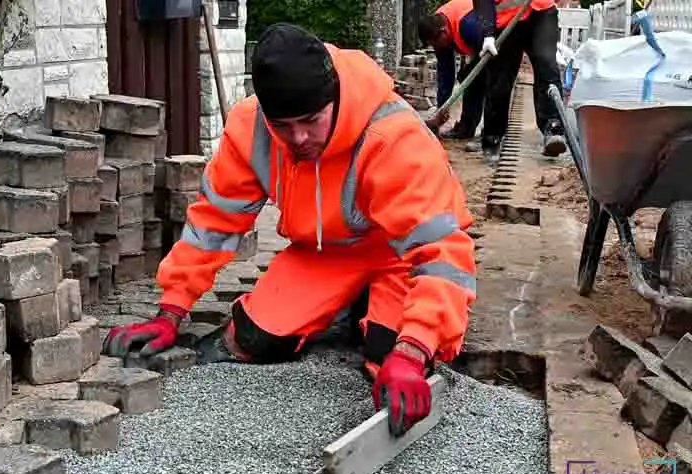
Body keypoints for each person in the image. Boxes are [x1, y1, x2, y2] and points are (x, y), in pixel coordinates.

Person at [102, 23, 477, 437]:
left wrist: (414, 347)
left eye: (312, 121)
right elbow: (213, 223)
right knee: (253, 340)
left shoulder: (393, 135)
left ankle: (372, 315)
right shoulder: (251, 129)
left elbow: (441, 253)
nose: (298, 138)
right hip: (324, 255)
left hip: (398, 255)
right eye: (283, 125)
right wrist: (170, 309)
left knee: (390, 360)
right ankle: (351, 307)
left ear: (334, 98)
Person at [471, 0, 568, 158]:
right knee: (499, 79)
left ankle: (553, 127)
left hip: (540, 12)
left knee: (546, 64)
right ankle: (492, 135)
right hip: (506, 20)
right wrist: (488, 33)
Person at [417, 0, 496, 141]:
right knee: (469, 77)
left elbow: (491, 61)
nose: (436, 47)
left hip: (495, 36)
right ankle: (467, 128)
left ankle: (491, 131)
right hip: (477, 36)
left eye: (435, 43)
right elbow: (445, 74)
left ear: (444, 32)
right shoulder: (438, 29)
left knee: (483, 80)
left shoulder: (468, 27)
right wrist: (441, 109)